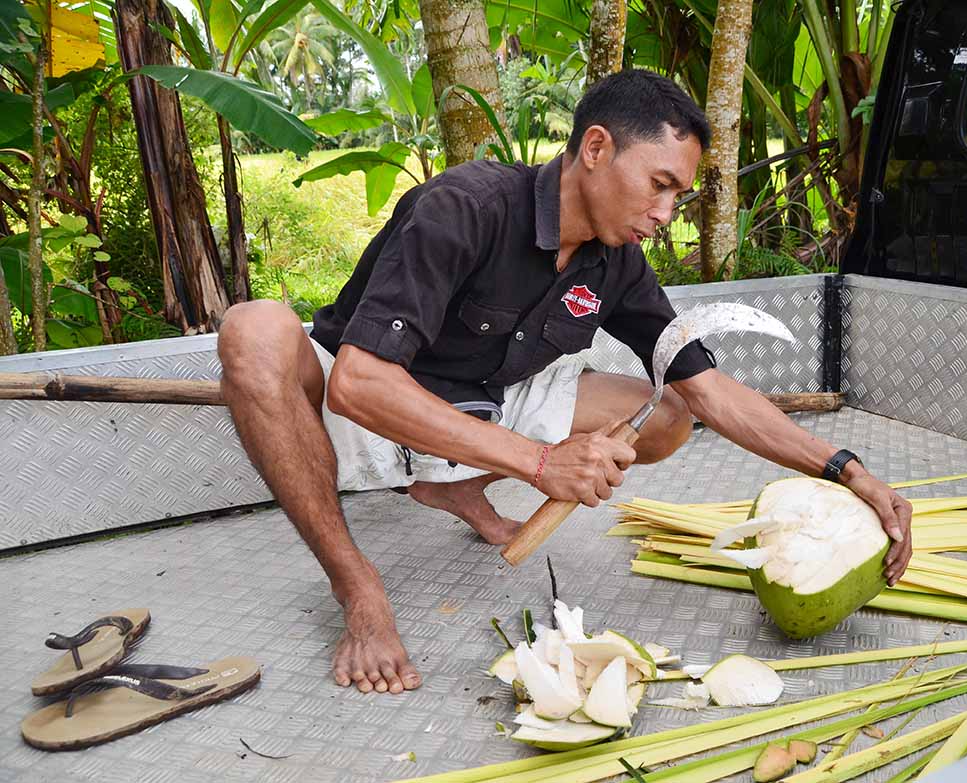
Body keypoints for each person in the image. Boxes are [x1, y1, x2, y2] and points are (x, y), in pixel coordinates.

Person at [216, 69, 913, 697]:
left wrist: (847, 470)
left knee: (666, 408)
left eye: (679, 194)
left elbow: (709, 390)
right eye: (660, 184)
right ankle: (357, 585)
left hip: (487, 402)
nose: (666, 213)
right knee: (253, 329)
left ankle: (456, 484)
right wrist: (542, 463)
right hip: (365, 406)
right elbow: (361, 384)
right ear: (597, 148)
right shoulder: (466, 206)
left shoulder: (617, 263)